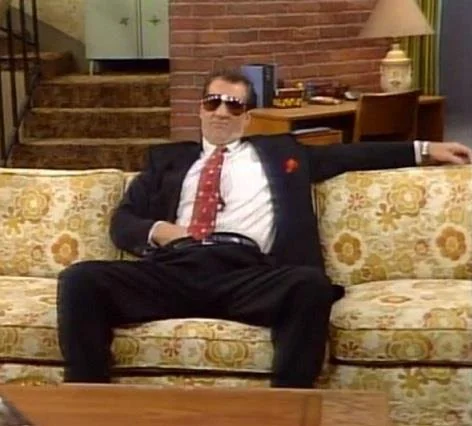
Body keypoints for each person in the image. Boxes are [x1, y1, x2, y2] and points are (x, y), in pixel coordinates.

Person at [56, 68, 472, 388]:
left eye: (234, 106)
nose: (222, 112)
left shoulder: (281, 152)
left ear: (248, 116)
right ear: (200, 108)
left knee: (309, 286)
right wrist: (161, 230)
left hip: (250, 273)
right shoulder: (166, 160)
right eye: (213, 103)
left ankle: (288, 409)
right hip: (175, 269)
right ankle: (89, 407)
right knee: (80, 280)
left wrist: (426, 148)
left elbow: (352, 155)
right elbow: (124, 221)